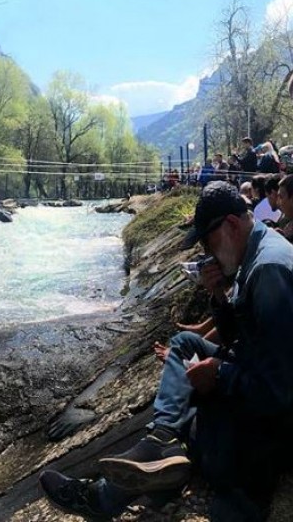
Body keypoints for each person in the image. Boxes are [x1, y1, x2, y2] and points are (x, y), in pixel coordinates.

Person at [40, 181, 293, 521]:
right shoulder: (256, 253)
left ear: (231, 225)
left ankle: (113, 490)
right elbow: (243, 339)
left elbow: (280, 391)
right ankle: (161, 439)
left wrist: (220, 374)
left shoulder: (269, 271)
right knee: (187, 345)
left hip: (272, 428)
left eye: (207, 241)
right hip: (257, 380)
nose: (206, 251)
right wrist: (218, 295)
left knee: (196, 423)